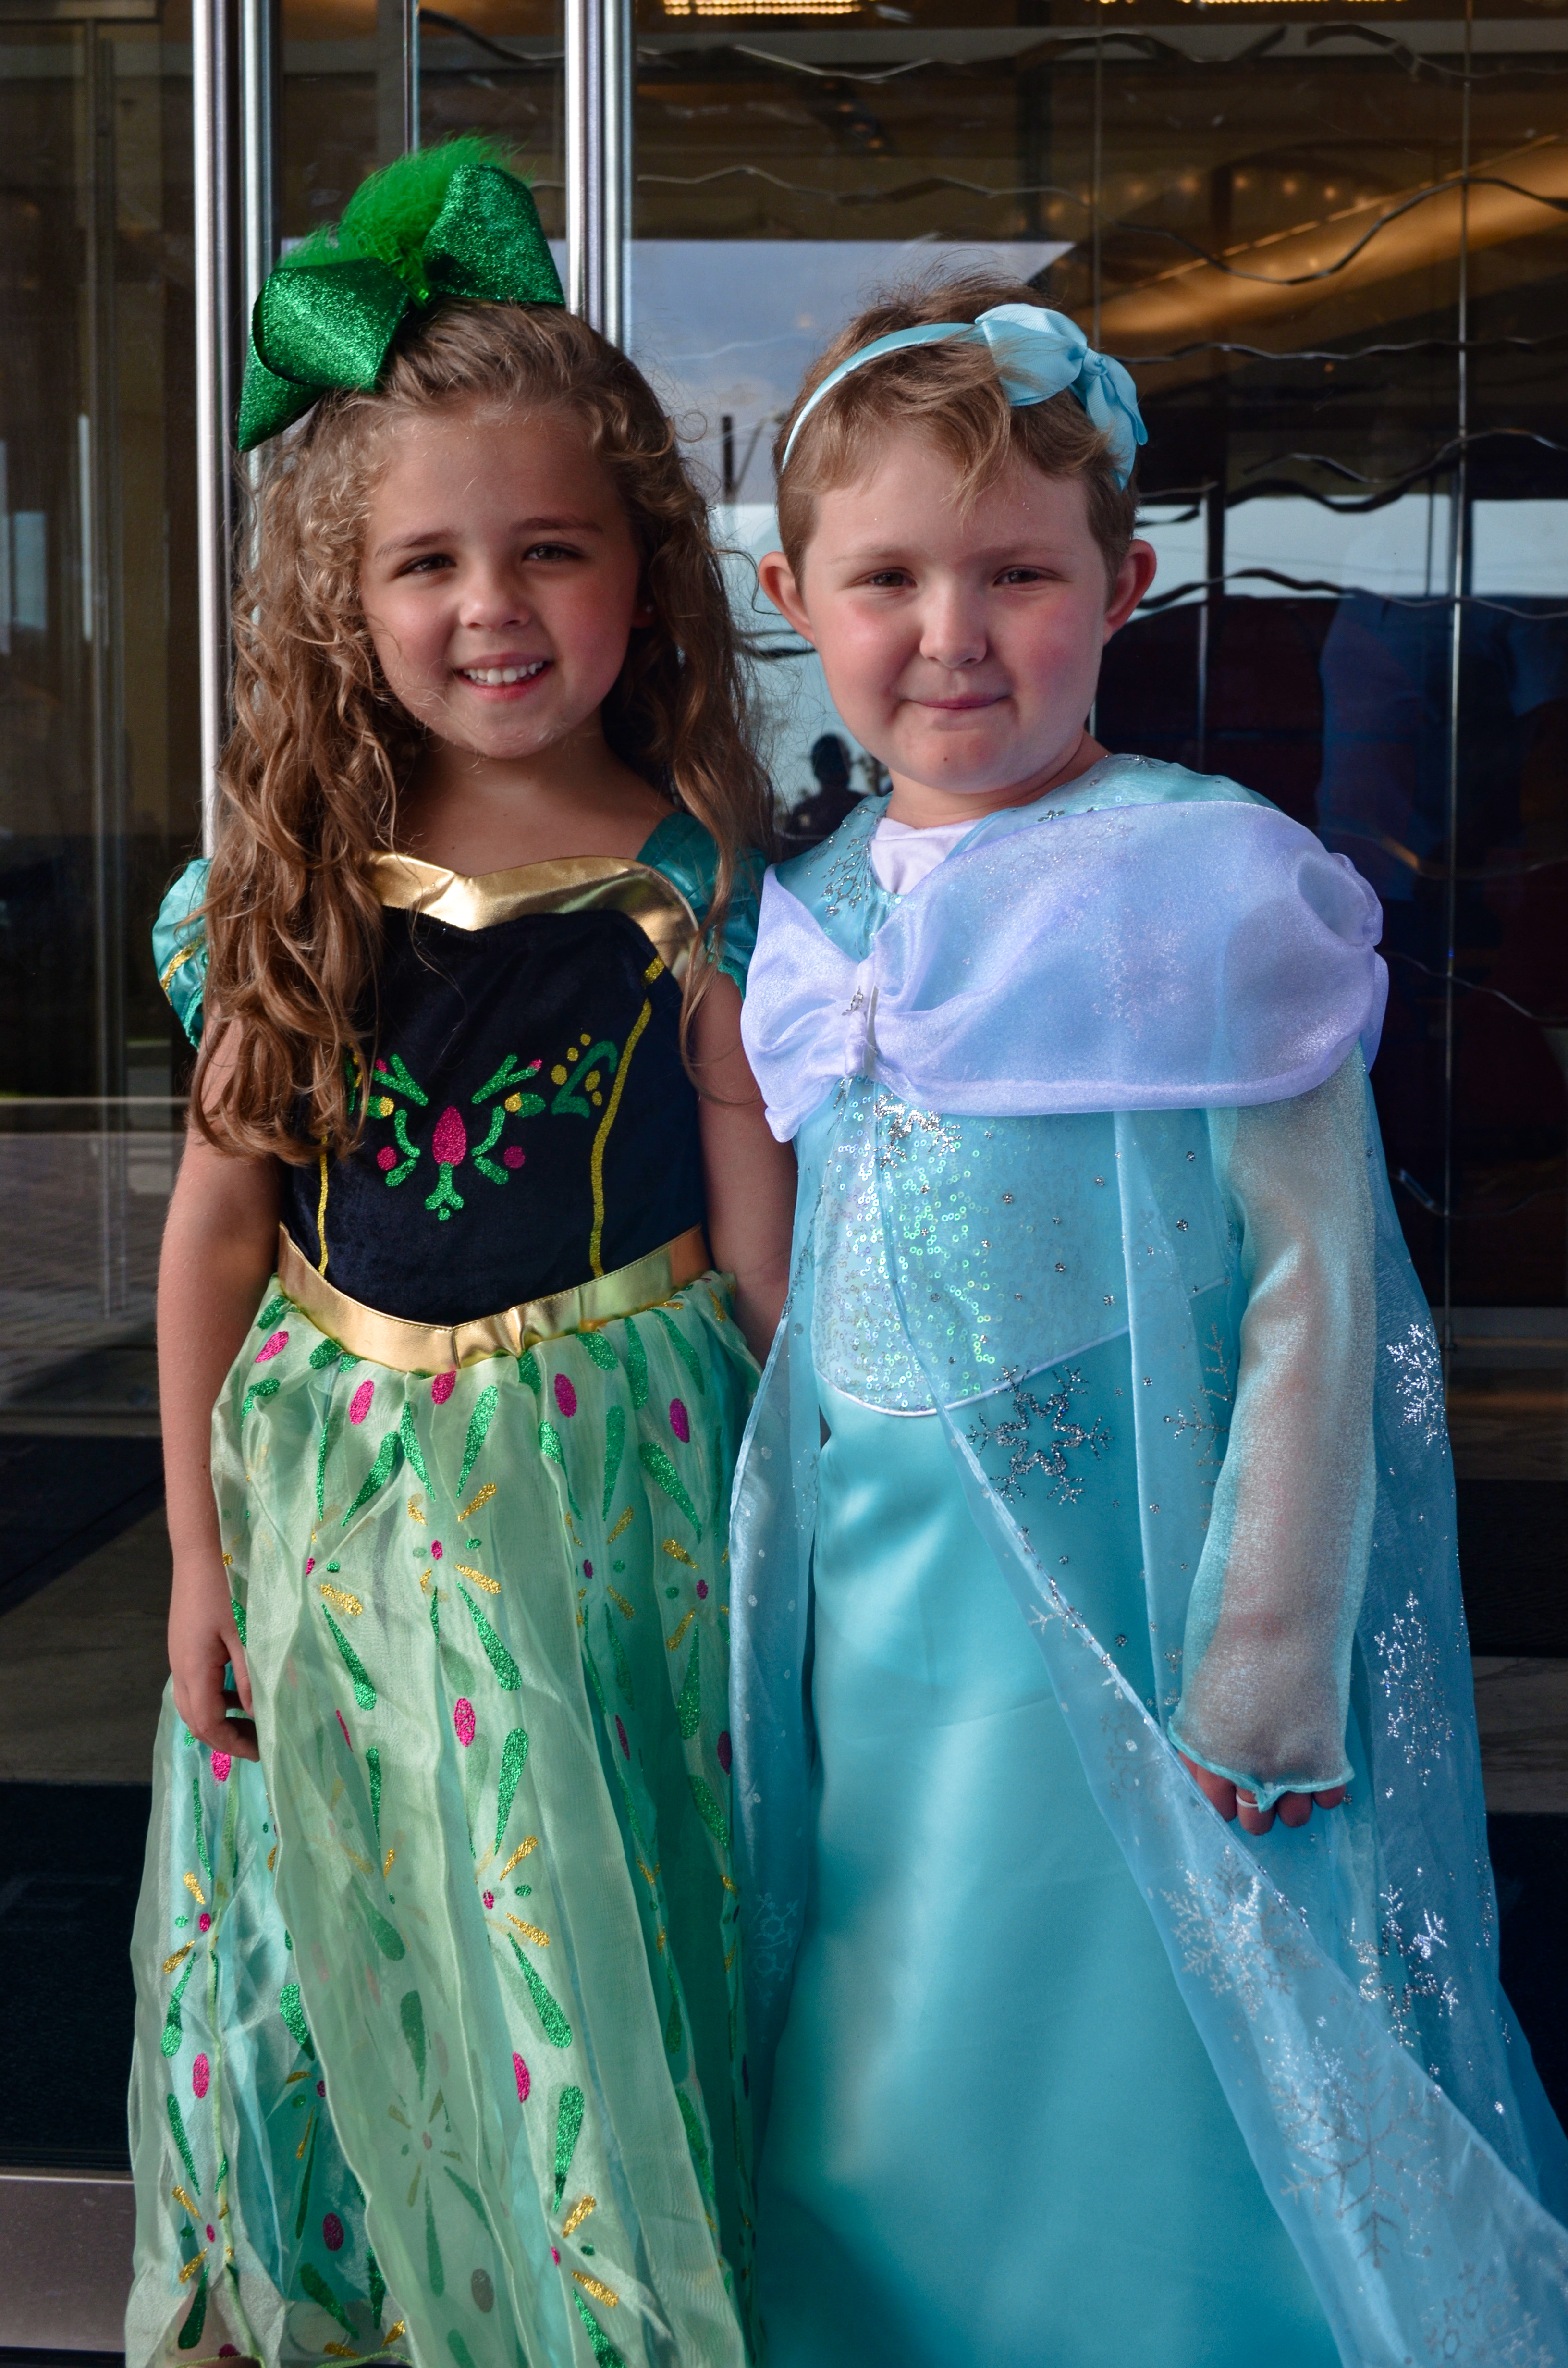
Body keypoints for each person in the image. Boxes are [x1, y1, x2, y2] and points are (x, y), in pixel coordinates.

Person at [728, 278, 1568, 2367]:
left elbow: (1316, 1282)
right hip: (889, 1618)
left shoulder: (1210, 878)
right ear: (791, 599)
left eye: (1018, 575)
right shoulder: (808, 907)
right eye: (890, 579)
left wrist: (1265, 1661)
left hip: (1139, 1595)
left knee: (1148, 2021)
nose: (954, 633)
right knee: (897, 2023)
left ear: (1124, 586)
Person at [127, 140, 795, 2368]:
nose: (491, 604)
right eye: (427, 559)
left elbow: (759, 1225)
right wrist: (197, 1550)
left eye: (548, 550)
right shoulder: (288, 886)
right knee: (346, 1898)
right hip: (329, 1483)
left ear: (644, 573)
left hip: (620, 1484)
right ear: (346, 595)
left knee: (579, 1903)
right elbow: (221, 1223)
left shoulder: (701, 884)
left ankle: (587, 2307)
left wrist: (827, 1501)